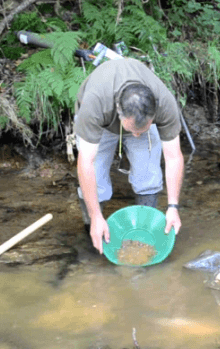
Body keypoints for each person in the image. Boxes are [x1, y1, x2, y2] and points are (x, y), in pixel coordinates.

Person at [74, 58, 184, 254]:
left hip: (137, 119)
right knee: (97, 181)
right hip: (103, 124)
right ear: (119, 114)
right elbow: (85, 163)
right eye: (132, 130)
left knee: (148, 175)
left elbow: (174, 157)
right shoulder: (96, 104)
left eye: (142, 128)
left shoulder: (164, 103)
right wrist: (96, 216)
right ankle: (91, 227)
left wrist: (173, 206)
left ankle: (145, 227)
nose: (135, 135)